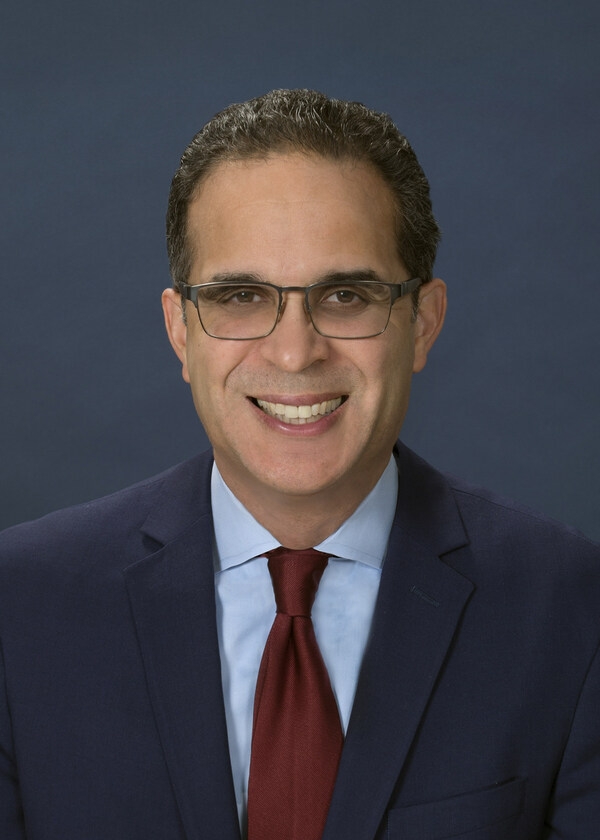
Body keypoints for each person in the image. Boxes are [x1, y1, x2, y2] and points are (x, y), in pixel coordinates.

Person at [0, 89, 598, 840]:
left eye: (345, 295)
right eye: (241, 296)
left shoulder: (574, 612)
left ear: (423, 323)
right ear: (181, 331)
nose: (294, 353)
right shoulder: (19, 608)